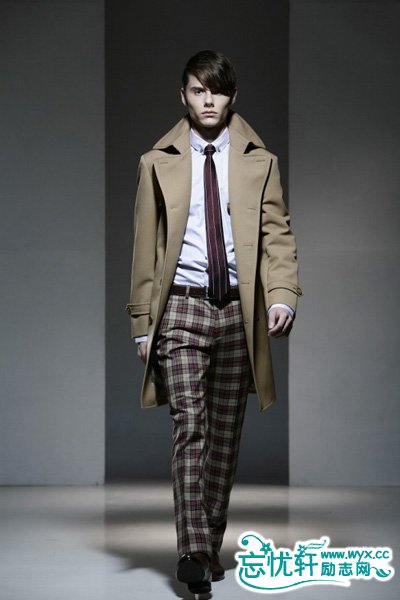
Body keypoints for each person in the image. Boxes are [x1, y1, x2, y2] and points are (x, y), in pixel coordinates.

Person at [126, 50, 302, 594]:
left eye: (217, 91)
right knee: (190, 427)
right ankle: (193, 552)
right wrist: (142, 322)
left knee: (223, 438)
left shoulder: (260, 161)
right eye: (198, 91)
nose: (208, 101)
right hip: (179, 308)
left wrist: (282, 295)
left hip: (238, 312)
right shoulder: (156, 161)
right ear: (183, 96)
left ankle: (206, 547)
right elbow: (144, 246)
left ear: (232, 97)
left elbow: (277, 235)